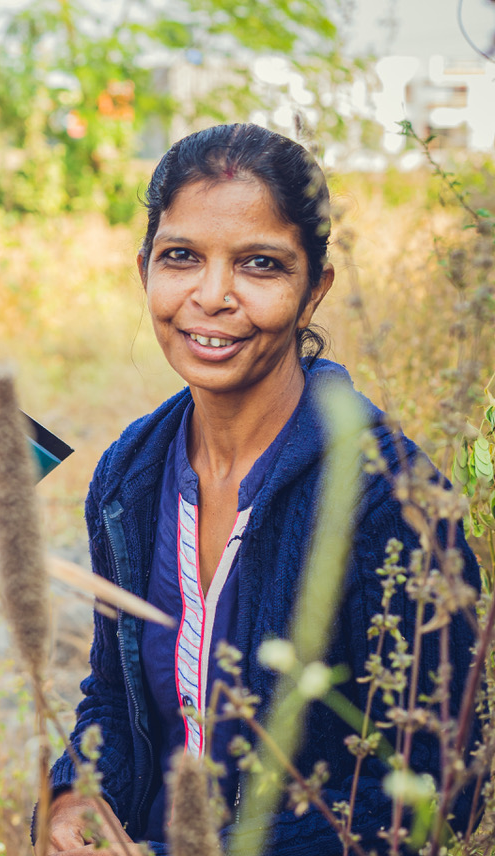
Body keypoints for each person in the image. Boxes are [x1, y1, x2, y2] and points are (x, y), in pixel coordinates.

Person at [43, 123, 482, 854]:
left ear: (314, 291)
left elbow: (451, 783)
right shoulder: (129, 475)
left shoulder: (388, 497)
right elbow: (115, 702)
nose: (213, 296)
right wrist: (73, 796)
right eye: (181, 257)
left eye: (260, 265)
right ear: (145, 268)